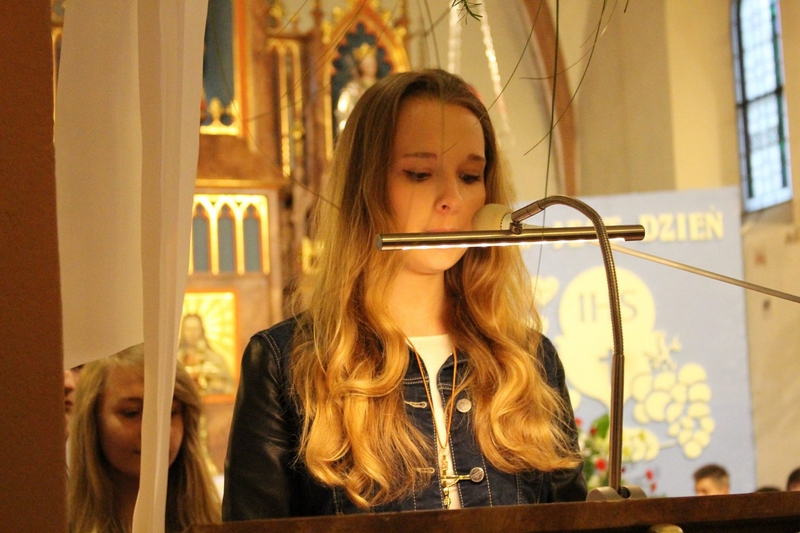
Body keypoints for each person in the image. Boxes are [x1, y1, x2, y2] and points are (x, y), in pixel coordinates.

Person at [223, 68, 587, 520]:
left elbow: (573, 521)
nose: (451, 198)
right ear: (366, 186)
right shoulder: (285, 363)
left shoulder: (528, 359)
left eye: (470, 176)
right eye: (419, 173)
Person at [68, 344, 221, 532]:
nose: (154, 432)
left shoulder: (220, 523)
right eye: (132, 413)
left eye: (169, 412)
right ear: (93, 421)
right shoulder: (53, 523)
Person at [335, 43, 379, 135]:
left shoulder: (382, 87)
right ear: (361, 66)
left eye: (372, 62)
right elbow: (343, 115)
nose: (371, 66)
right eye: (367, 63)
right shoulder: (352, 90)